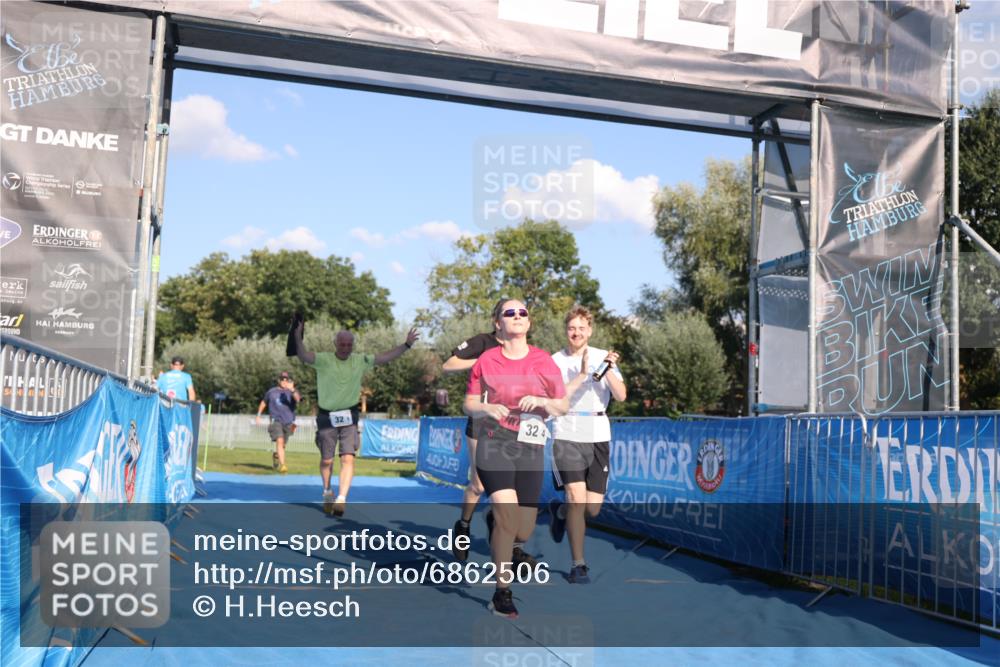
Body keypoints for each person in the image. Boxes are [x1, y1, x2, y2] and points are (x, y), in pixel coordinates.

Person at [464, 298, 568, 619]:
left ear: (529, 322)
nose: (518, 316)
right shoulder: (487, 360)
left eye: (523, 312)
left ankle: (502, 529)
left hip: (531, 444)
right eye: (510, 312)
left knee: (522, 530)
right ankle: (501, 593)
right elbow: (468, 403)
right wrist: (485, 408)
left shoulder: (543, 361)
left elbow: (562, 405)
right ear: (498, 323)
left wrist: (541, 400)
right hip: (495, 442)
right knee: (509, 519)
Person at [294, 322, 419, 516]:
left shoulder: (360, 360)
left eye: (349, 345)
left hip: (349, 416)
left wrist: (406, 345)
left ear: (353, 346)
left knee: (348, 457)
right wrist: (296, 335)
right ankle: (327, 491)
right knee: (327, 460)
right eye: (342, 345)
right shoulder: (323, 360)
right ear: (335, 344)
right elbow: (302, 355)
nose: (345, 348)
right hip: (327, 416)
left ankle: (342, 498)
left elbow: (385, 357)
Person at [548, 305, 626, 584]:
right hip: (567, 430)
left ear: (590, 330)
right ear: (566, 331)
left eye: (582, 328)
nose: (576, 333)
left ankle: (559, 511)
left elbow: (621, 395)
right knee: (576, 499)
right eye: (572, 328)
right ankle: (578, 564)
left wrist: (606, 369)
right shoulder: (555, 361)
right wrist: (580, 374)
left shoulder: (603, 356)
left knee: (592, 508)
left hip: (598, 433)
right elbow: (555, 399)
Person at [256, 371, 301, 474]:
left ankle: (276, 456)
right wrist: (258, 415)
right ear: (279, 380)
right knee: (279, 440)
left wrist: (293, 389)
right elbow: (264, 402)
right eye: (282, 379)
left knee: (283, 445)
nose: (284, 381)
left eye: (286, 379)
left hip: (289, 422)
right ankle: (283, 465)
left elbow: (298, 399)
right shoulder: (271, 392)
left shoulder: (292, 391)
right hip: (275, 420)